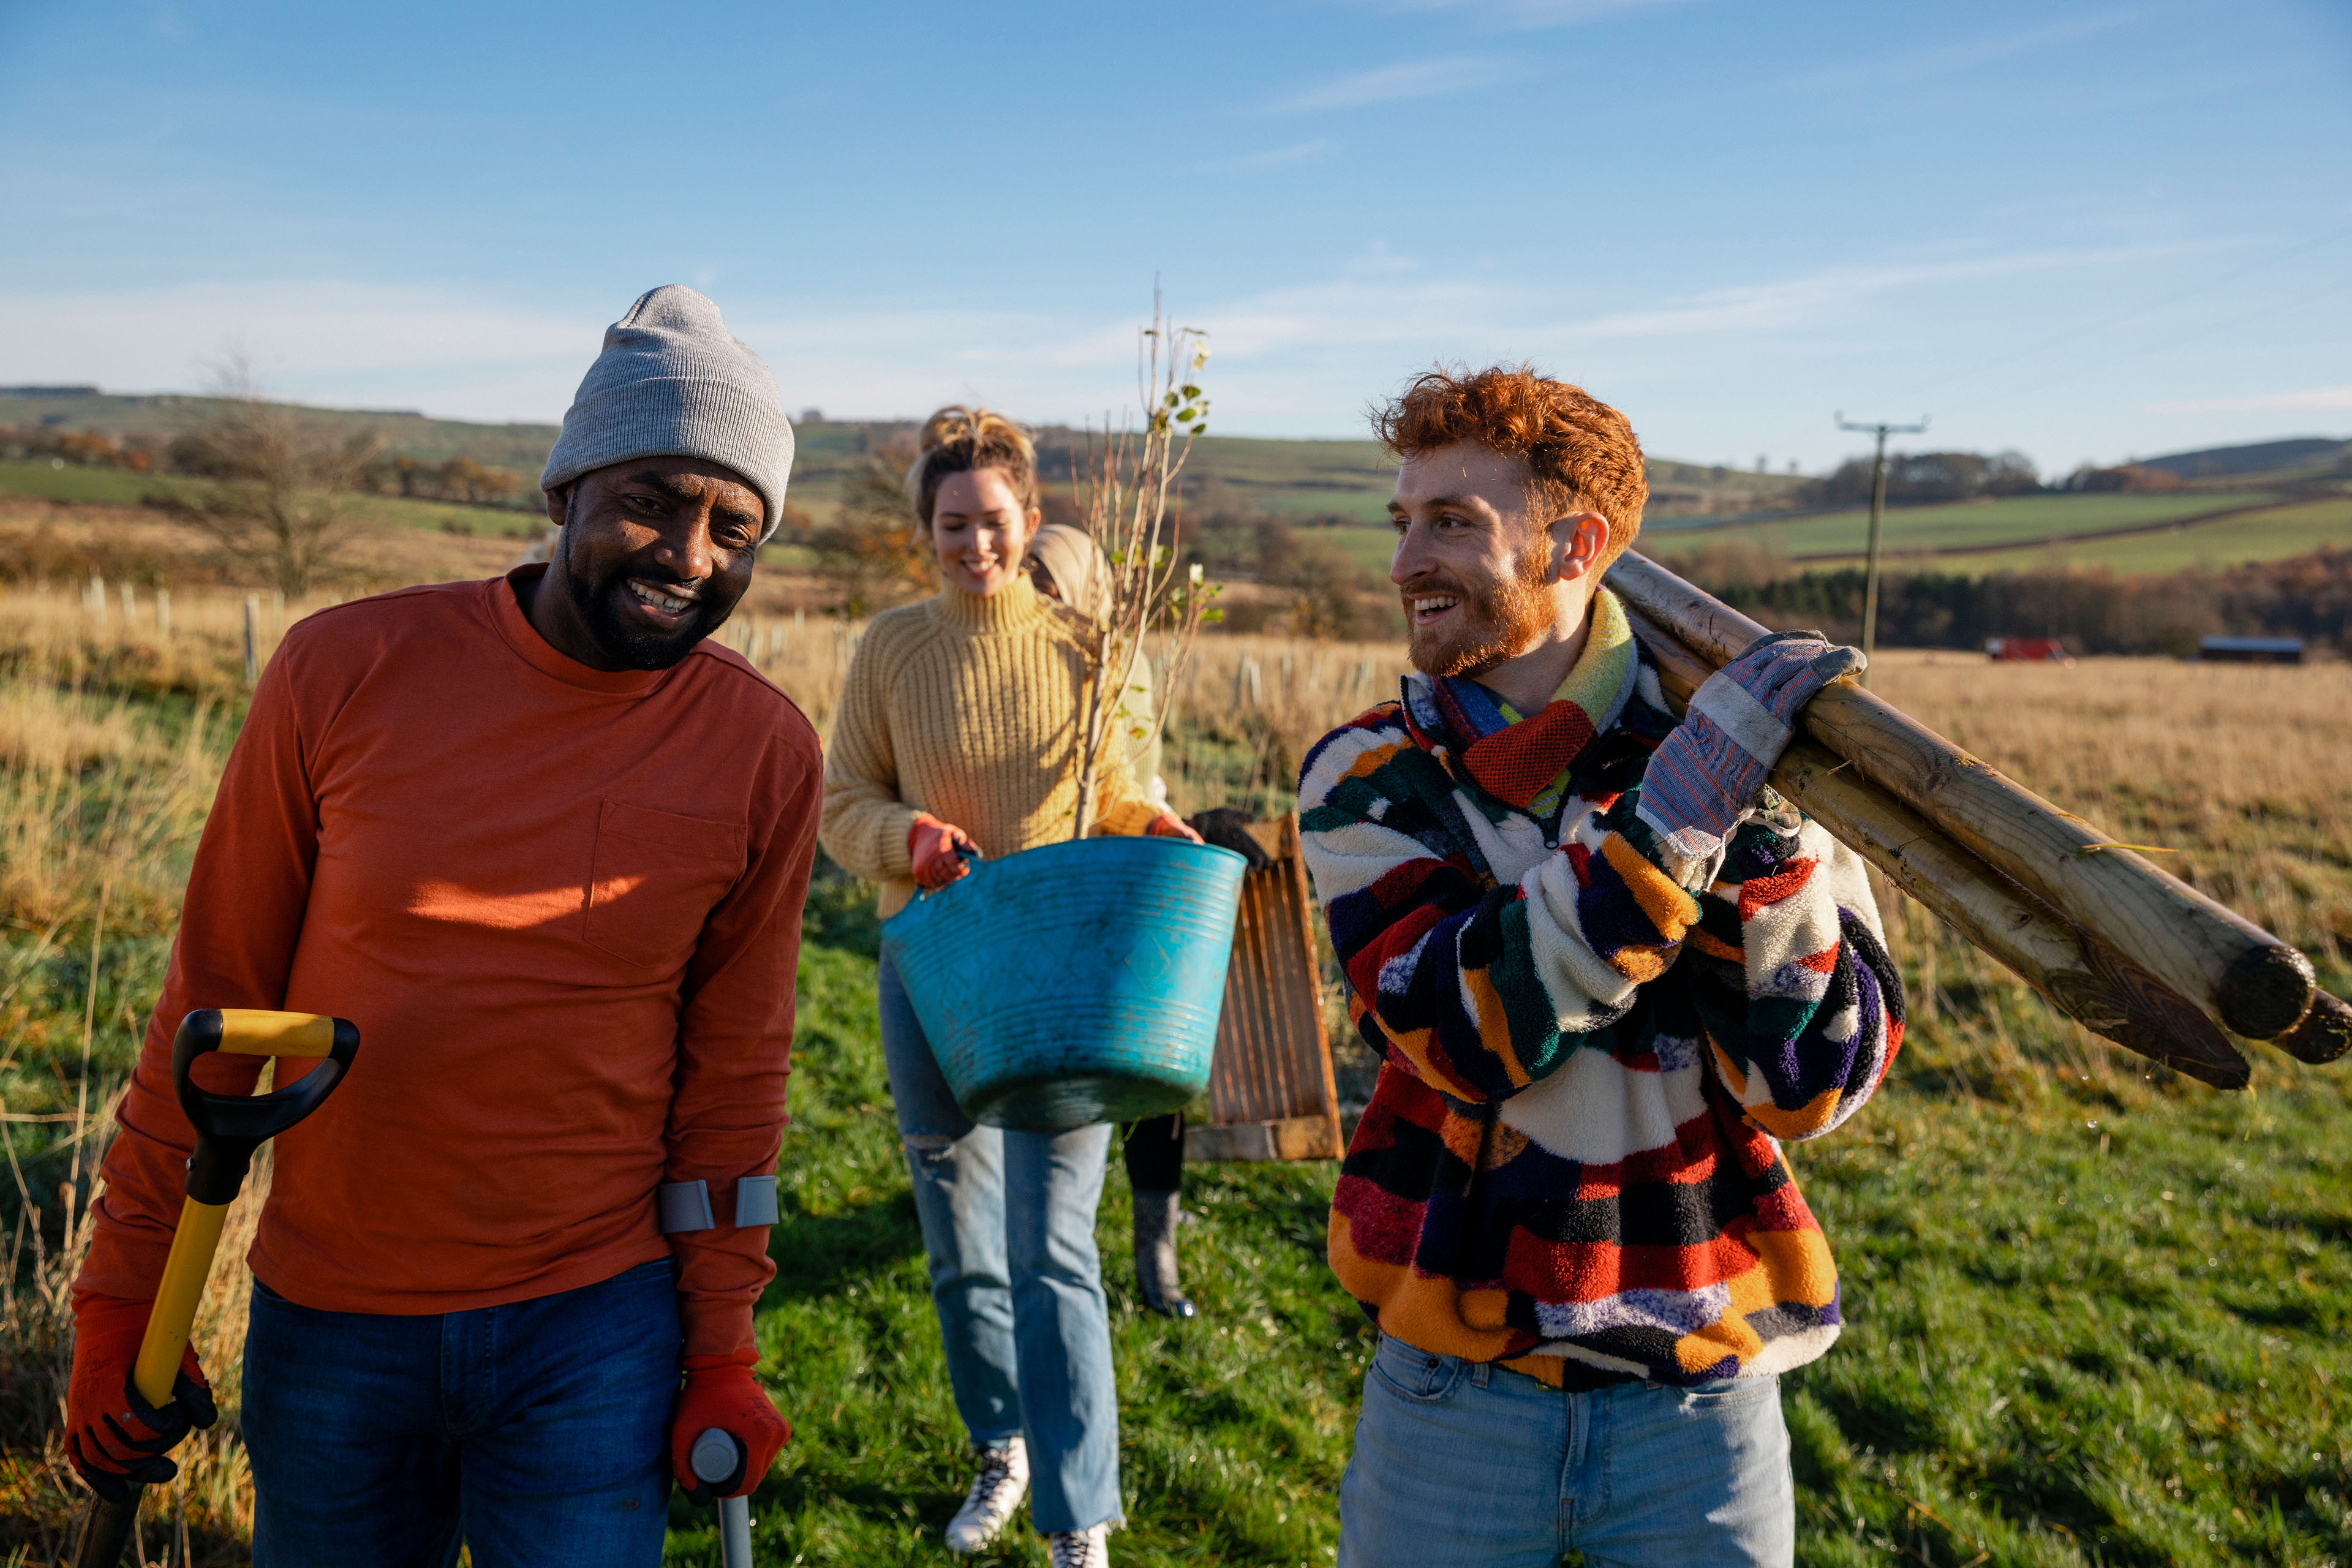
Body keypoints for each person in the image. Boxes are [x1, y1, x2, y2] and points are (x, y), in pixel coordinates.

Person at [65, 285, 820, 1566]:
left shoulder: (762, 750)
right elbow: (214, 1001)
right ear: (565, 490)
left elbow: (735, 1074)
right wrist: (122, 1294)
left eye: (734, 528)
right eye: (652, 498)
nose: (692, 554)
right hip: (335, 1320)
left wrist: (723, 1344)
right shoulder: (343, 669)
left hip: (595, 1320)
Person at [1298, 366, 1905, 1567]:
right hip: (1453, 1403)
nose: (1405, 560)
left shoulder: (1743, 761)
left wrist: (1767, 837)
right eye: (1403, 521)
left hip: (1700, 1403)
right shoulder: (1369, 776)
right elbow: (1472, 1032)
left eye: (1453, 523)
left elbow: (1812, 1081)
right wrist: (1668, 833)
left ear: (1579, 543)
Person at [819, 410, 1199, 1568]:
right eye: (952, 525)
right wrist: (909, 837)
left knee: (1052, 1248)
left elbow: (1127, 788)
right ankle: (1004, 1445)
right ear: (924, 531)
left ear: (1029, 523)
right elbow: (840, 812)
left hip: (1062, 979)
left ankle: (1079, 1510)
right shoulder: (889, 650)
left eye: (994, 523)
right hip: (931, 969)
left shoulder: (1095, 646)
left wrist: (1154, 824)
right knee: (961, 1239)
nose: (974, 544)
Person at [1025, 523, 1273, 1322]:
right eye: (1025, 575)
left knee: (1149, 1074)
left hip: (1122, 884)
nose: (1030, 592)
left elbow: (1135, 778)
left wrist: (1154, 828)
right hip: (1034, 896)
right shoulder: (1000, 667)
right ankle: (1026, 1229)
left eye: (1047, 578)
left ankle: (1152, 1252)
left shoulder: (1120, 668)